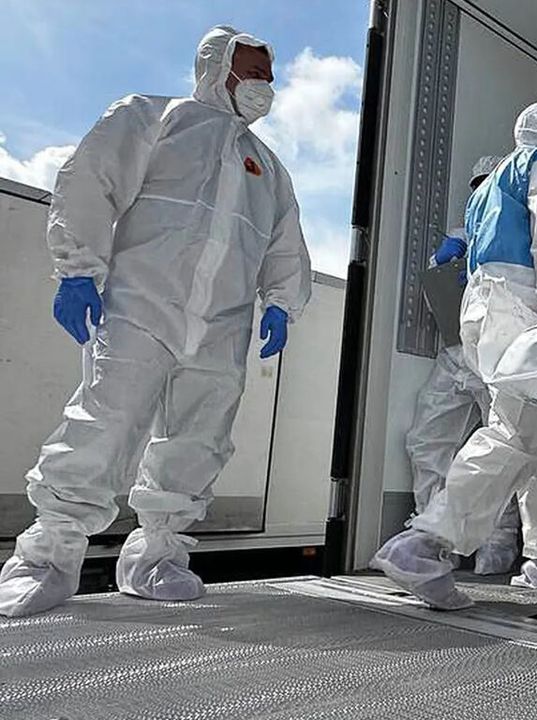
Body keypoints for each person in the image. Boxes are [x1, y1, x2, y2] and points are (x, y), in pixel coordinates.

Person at [0, 26, 310, 618]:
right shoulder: (154, 118)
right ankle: (46, 556)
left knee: (199, 438)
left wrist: (281, 301)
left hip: (222, 325)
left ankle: (157, 556)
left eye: (270, 77)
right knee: (104, 421)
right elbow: (90, 179)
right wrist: (77, 269)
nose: (264, 86)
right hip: (140, 305)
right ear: (217, 68)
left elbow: (284, 244)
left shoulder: (268, 168)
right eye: (254, 72)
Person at [372, 103, 537, 609]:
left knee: (533, 432)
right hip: (520, 307)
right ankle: (424, 543)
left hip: (481, 311)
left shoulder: (488, 184)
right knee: (515, 432)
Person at [405, 154, 536, 576]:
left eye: (488, 184)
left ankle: (500, 538)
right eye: (475, 185)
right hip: (455, 352)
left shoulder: (521, 232)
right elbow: (435, 290)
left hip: (496, 352)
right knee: (427, 437)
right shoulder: (459, 235)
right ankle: (433, 535)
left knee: (501, 441)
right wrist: (443, 262)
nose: (481, 192)